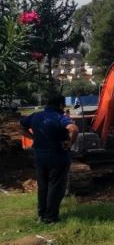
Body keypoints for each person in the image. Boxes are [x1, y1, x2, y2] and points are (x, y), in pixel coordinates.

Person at [20, 94, 79, 224]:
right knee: (56, 187)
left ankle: (42, 215)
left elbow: (22, 127)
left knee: (43, 186)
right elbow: (74, 129)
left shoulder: (36, 116)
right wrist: (70, 143)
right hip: (57, 156)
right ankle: (51, 217)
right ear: (60, 105)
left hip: (40, 156)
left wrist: (33, 137)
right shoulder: (59, 117)